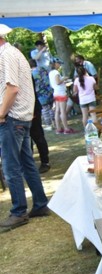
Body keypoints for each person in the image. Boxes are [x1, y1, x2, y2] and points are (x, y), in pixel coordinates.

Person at [0, 24, 51, 231]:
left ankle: (19, 211)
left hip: (12, 118)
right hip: (20, 117)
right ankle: (39, 204)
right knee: (26, 163)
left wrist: (1, 113)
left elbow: (12, 89)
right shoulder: (12, 53)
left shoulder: (6, 55)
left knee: (11, 166)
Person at [48, 57, 76, 134]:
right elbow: (58, 82)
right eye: (59, 64)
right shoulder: (56, 73)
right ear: (55, 64)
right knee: (63, 111)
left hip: (56, 92)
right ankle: (66, 128)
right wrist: (64, 78)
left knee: (57, 111)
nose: (60, 65)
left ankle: (58, 128)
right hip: (61, 93)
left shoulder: (50, 73)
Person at [29, 58, 54, 130]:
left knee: (45, 109)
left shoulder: (32, 73)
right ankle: (54, 122)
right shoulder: (42, 69)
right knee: (51, 107)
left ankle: (49, 125)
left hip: (40, 93)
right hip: (49, 90)